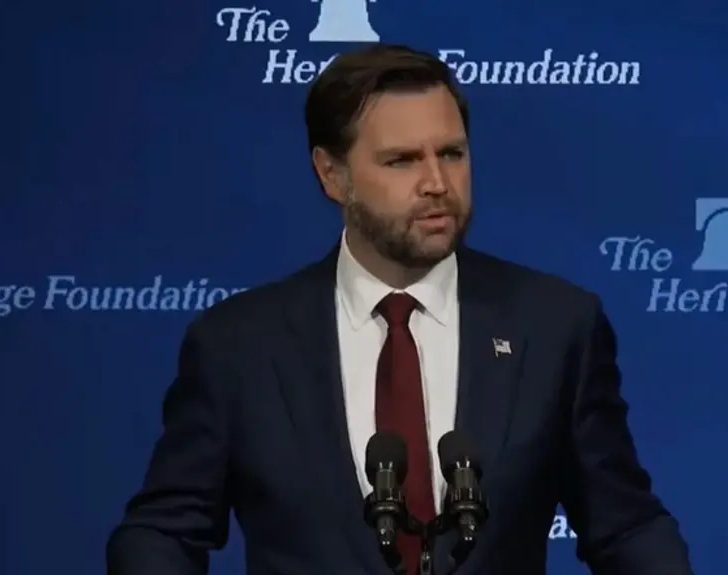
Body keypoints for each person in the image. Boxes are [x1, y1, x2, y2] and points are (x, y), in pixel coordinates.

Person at [106, 44, 693, 575]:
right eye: (402, 160)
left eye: (452, 153)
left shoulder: (555, 326)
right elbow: (164, 531)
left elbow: (625, 527)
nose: (437, 182)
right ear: (332, 175)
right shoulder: (239, 345)